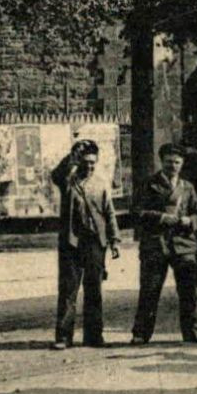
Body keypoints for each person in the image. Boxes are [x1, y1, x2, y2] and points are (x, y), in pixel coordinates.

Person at [131, 143, 197, 345]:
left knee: (188, 291)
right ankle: (140, 334)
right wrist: (161, 217)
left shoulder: (187, 187)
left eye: (177, 162)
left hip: (183, 245)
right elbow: (136, 212)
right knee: (150, 290)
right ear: (161, 161)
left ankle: (192, 332)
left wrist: (190, 221)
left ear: (182, 164)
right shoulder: (148, 184)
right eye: (168, 162)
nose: (172, 166)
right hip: (155, 245)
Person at [51, 138, 120, 349]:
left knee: (94, 291)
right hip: (72, 242)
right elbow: (57, 174)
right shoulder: (68, 181)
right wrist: (71, 156)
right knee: (68, 291)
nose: (89, 166)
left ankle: (94, 336)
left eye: (92, 162)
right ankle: (64, 337)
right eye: (85, 162)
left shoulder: (101, 184)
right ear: (78, 161)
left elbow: (109, 213)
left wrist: (115, 240)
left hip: (95, 243)